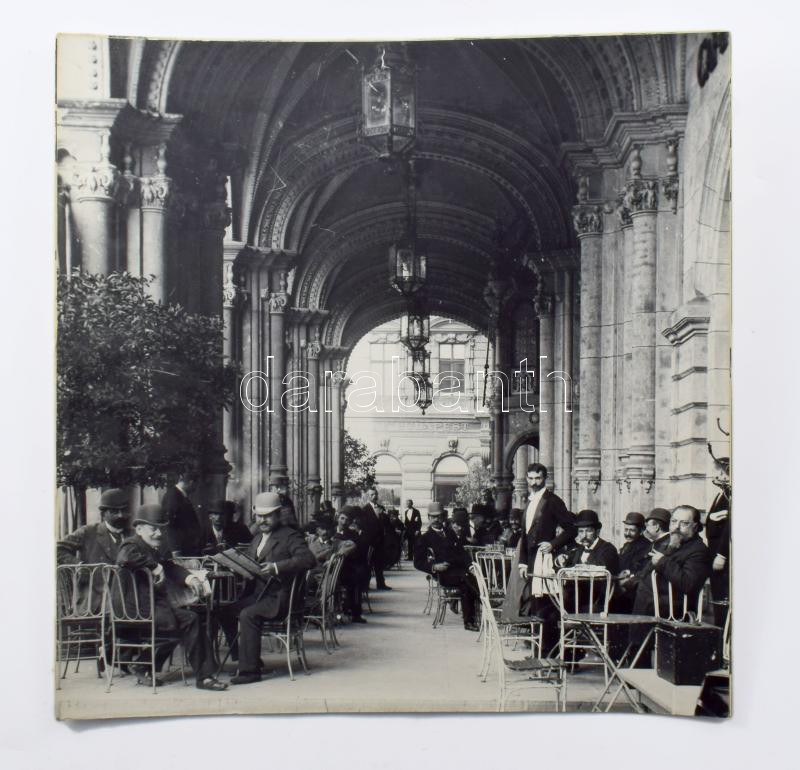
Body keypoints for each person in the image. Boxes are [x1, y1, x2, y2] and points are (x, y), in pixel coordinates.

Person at [115, 503, 227, 690]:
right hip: (134, 610)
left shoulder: (150, 547)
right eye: (153, 529)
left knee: (190, 619)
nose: (159, 533)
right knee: (181, 623)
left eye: (161, 529)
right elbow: (125, 558)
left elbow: (169, 566)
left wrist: (190, 578)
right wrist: (154, 566)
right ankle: (146, 665)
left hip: (150, 607)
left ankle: (203, 677)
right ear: (139, 529)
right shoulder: (131, 544)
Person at [220, 492, 316, 685]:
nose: (262, 520)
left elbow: (308, 559)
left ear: (278, 514)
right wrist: (234, 565)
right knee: (224, 612)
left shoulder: (290, 536)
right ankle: (247, 658)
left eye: (268, 516)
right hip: (260, 595)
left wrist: (276, 567)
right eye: (259, 516)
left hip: (280, 598)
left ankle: (250, 672)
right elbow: (250, 562)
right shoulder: (257, 538)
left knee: (248, 614)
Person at [632, 505, 712, 621]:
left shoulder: (699, 550)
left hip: (670, 615)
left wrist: (662, 561)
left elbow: (688, 584)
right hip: (646, 606)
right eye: (674, 521)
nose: (676, 527)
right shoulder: (671, 543)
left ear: (695, 527)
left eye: (684, 523)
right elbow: (646, 572)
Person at [57, 487, 132, 611]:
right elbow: (58, 549)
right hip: (94, 603)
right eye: (114, 511)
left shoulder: (133, 535)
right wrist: (79, 565)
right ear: (103, 514)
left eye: (124, 510)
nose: (121, 515)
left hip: (127, 603)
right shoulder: (88, 532)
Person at [413, 502, 479, 631]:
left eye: (439, 516)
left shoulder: (450, 533)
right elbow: (418, 562)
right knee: (467, 582)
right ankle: (471, 620)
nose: (436, 519)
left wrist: (471, 566)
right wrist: (434, 567)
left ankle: (480, 608)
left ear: (443, 516)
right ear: (428, 517)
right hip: (443, 574)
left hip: (458, 570)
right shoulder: (424, 538)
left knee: (474, 578)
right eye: (433, 517)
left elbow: (462, 552)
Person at [705, 450, 731, 628]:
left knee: (722, 597)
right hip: (713, 552)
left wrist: (722, 555)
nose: (718, 476)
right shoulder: (721, 494)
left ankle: (723, 633)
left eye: (721, 472)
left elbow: (730, 528)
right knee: (717, 596)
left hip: (721, 556)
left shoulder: (730, 496)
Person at [334, 507, 370, 623]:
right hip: (331, 566)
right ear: (337, 518)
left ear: (350, 522)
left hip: (347, 567)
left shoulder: (353, 534)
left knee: (355, 579)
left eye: (347, 520)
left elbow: (359, 552)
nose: (344, 522)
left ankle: (355, 612)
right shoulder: (330, 532)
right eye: (342, 518)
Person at [613, 512, 651, 613]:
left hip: (632, 591)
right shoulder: (627, 545)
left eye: (632, 530)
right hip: (620, 586)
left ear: (641, 531)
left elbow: (640, 570)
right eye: (626, 530)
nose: (627, 533)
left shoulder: (646, 546)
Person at [162, 472, 204, 555]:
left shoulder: (180, 495)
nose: (195, 488)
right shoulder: (173, 496)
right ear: (191, 482)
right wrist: (175, 549)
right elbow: (169, 524)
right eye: (196, 485)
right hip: (179, 549)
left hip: (186, 547)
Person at [363, 487, 390, 590]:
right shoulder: (364, 509)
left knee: (379, 563)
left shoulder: (381, 508)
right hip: (370, 541)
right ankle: (365, 584)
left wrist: (383, 515)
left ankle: (381, 584)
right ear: (368, 496)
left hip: (380, 540)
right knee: (368, 563)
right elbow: (364, 526)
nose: (374, 496)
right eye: (372, 495)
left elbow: (386, 524)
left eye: (375, 494)